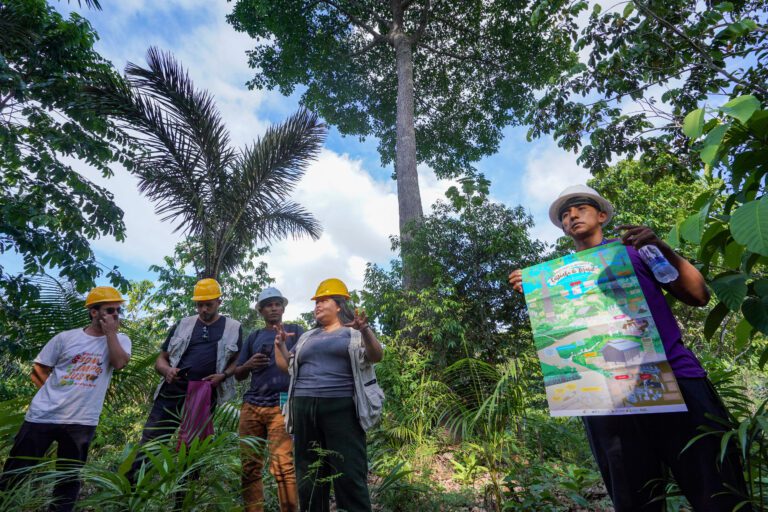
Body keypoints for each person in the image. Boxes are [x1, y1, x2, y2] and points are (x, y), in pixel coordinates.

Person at [508, 184, 750, 511]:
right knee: (635, 499)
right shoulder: (553, 280)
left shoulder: (636, 250)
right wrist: (535, 291)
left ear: (602, 215)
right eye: (565, 215)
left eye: (579, 207)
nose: (571, 216)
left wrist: (660, 246)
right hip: (604, 398)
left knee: (717, 490)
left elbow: (699, 296)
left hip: (676, 379)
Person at [0, 286, 132, 512]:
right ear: (93, 312)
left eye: (118, 310)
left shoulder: (120, 340)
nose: (115, 315)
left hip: (82, 421)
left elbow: (119, 363)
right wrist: (54, 396)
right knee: (16, 471)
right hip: (43, 416)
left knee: (68, 479)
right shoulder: (65, 338)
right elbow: (39, 370)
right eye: (110, 310)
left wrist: (111, 333)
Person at [275, 278, 384, 512]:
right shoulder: (307, 337)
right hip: (304, 409)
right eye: (316, 301)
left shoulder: (353, 333)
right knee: (309, 473)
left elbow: (376, 356)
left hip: (341, 408)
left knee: (348, 472)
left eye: (323, 300)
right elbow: (288, 367)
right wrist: (281, 345)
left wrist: (364, 329)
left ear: (338, 305)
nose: (317, 305)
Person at [129, 278, 242, 479]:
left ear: (219, 302)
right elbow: (161, 360)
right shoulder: (184, 324)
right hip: (172, 390)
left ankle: (184, 499)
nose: (203, 309)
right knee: (152, 441)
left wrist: (223, 375)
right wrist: (167, 371)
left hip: (204, 394)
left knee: (193, 447)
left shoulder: (233, 327)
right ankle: (132, 492)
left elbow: (237, 359)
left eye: (208, 304)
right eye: (199, 304)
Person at [234, 287, 303, 512]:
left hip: (281, 406)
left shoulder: (296, 331)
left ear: (283, 308)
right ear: (261, 311)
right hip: (252, 406)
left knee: (283, 466)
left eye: (277, 304)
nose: (273, 308)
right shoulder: (253, 336)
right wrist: (249, 364)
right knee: (250, 467)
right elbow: (238, 373)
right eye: (268, 305)